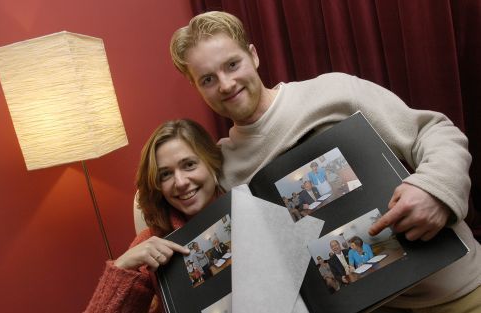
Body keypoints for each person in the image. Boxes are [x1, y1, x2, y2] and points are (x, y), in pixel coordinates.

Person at [170, 11, 481, 311]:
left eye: (233, 64)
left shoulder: (332, 92)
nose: (225, 85)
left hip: (454, 291)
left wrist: (434, 188)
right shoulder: (222, 166)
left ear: (253, 55)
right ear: (195, 87)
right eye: (208, 79)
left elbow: (433, 132)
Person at [85, 119, 223, 313]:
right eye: (165, 174)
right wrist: (123, 265)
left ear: (212, 162)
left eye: (189, 164)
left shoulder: (246, 207)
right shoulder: (151, 241)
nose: (181, 182)